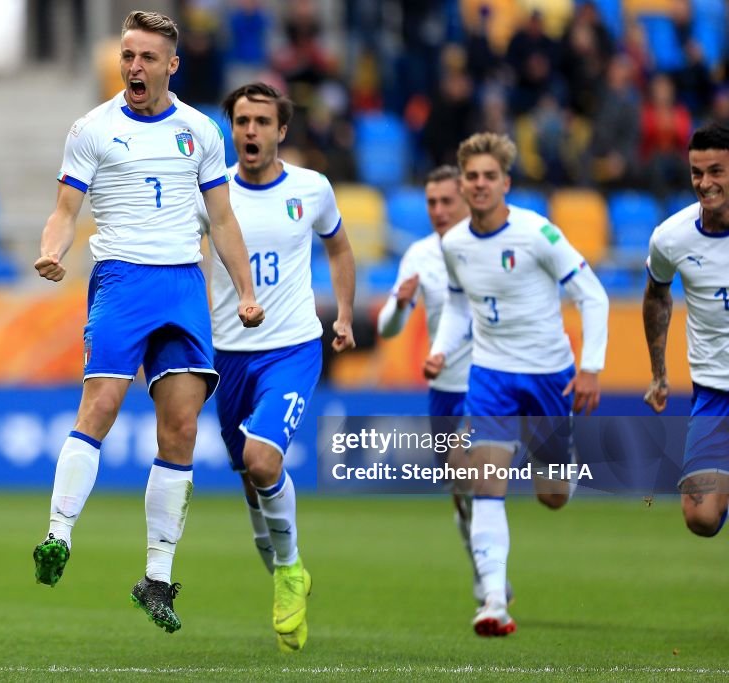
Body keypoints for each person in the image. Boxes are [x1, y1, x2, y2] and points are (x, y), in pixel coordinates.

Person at [31, 11, 263, 635]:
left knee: (182, 428)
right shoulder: (93, 128)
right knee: (102, 404)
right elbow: (65, 210)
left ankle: (157, 577)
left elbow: (223, 220)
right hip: (123, 280)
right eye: (127, 56)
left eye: (146, 58)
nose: (134, 66)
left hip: (184, 284)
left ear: (171, 65)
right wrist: (52, 249)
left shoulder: (201, 132)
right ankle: (58, 536)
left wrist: (244, 290)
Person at [424, 132, 609, 637]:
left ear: (505, 182)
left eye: (489, 176)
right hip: (491, 374)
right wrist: (442, 347)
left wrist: (590, 367)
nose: (479, 185)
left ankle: (562, 464)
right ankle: (493, 602)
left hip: (549, 374)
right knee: (487, 485)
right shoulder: (455, 244)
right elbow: (460, 303)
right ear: (462, 184)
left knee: (552, 495)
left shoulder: (537, 234)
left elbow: (592, 295)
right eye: (472, 177)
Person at [200, 82, 355, 653]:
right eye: (241, 121)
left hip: (291, 346)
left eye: (262, 121)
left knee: (263, 458)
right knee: (249, 476)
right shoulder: (210, 194)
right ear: (230, 129)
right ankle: (282, 573)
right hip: (225, 353)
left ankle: (290, 569)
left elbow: (339, 247)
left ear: (281, 130)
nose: (251, 131)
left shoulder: (311, 189)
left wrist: (341, 314)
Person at [377, 164, 503, 606]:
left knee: (478, 473)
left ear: (468, 199)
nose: (438, 210)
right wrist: (400, 302)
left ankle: (492, 578)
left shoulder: (495, 246)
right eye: (431, 202)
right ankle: (479, 555)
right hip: (445, 386)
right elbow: (388, 328)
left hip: (492, 379)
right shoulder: (420, 254)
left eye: (447, 200)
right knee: (460, 484)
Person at [643, 122, 729, 538]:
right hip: (715, 391)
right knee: (700, 517)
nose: (706, 183)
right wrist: (659, 372)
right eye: (698, 173)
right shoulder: (671, 237)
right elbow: (656, 295)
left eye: (717, 171)